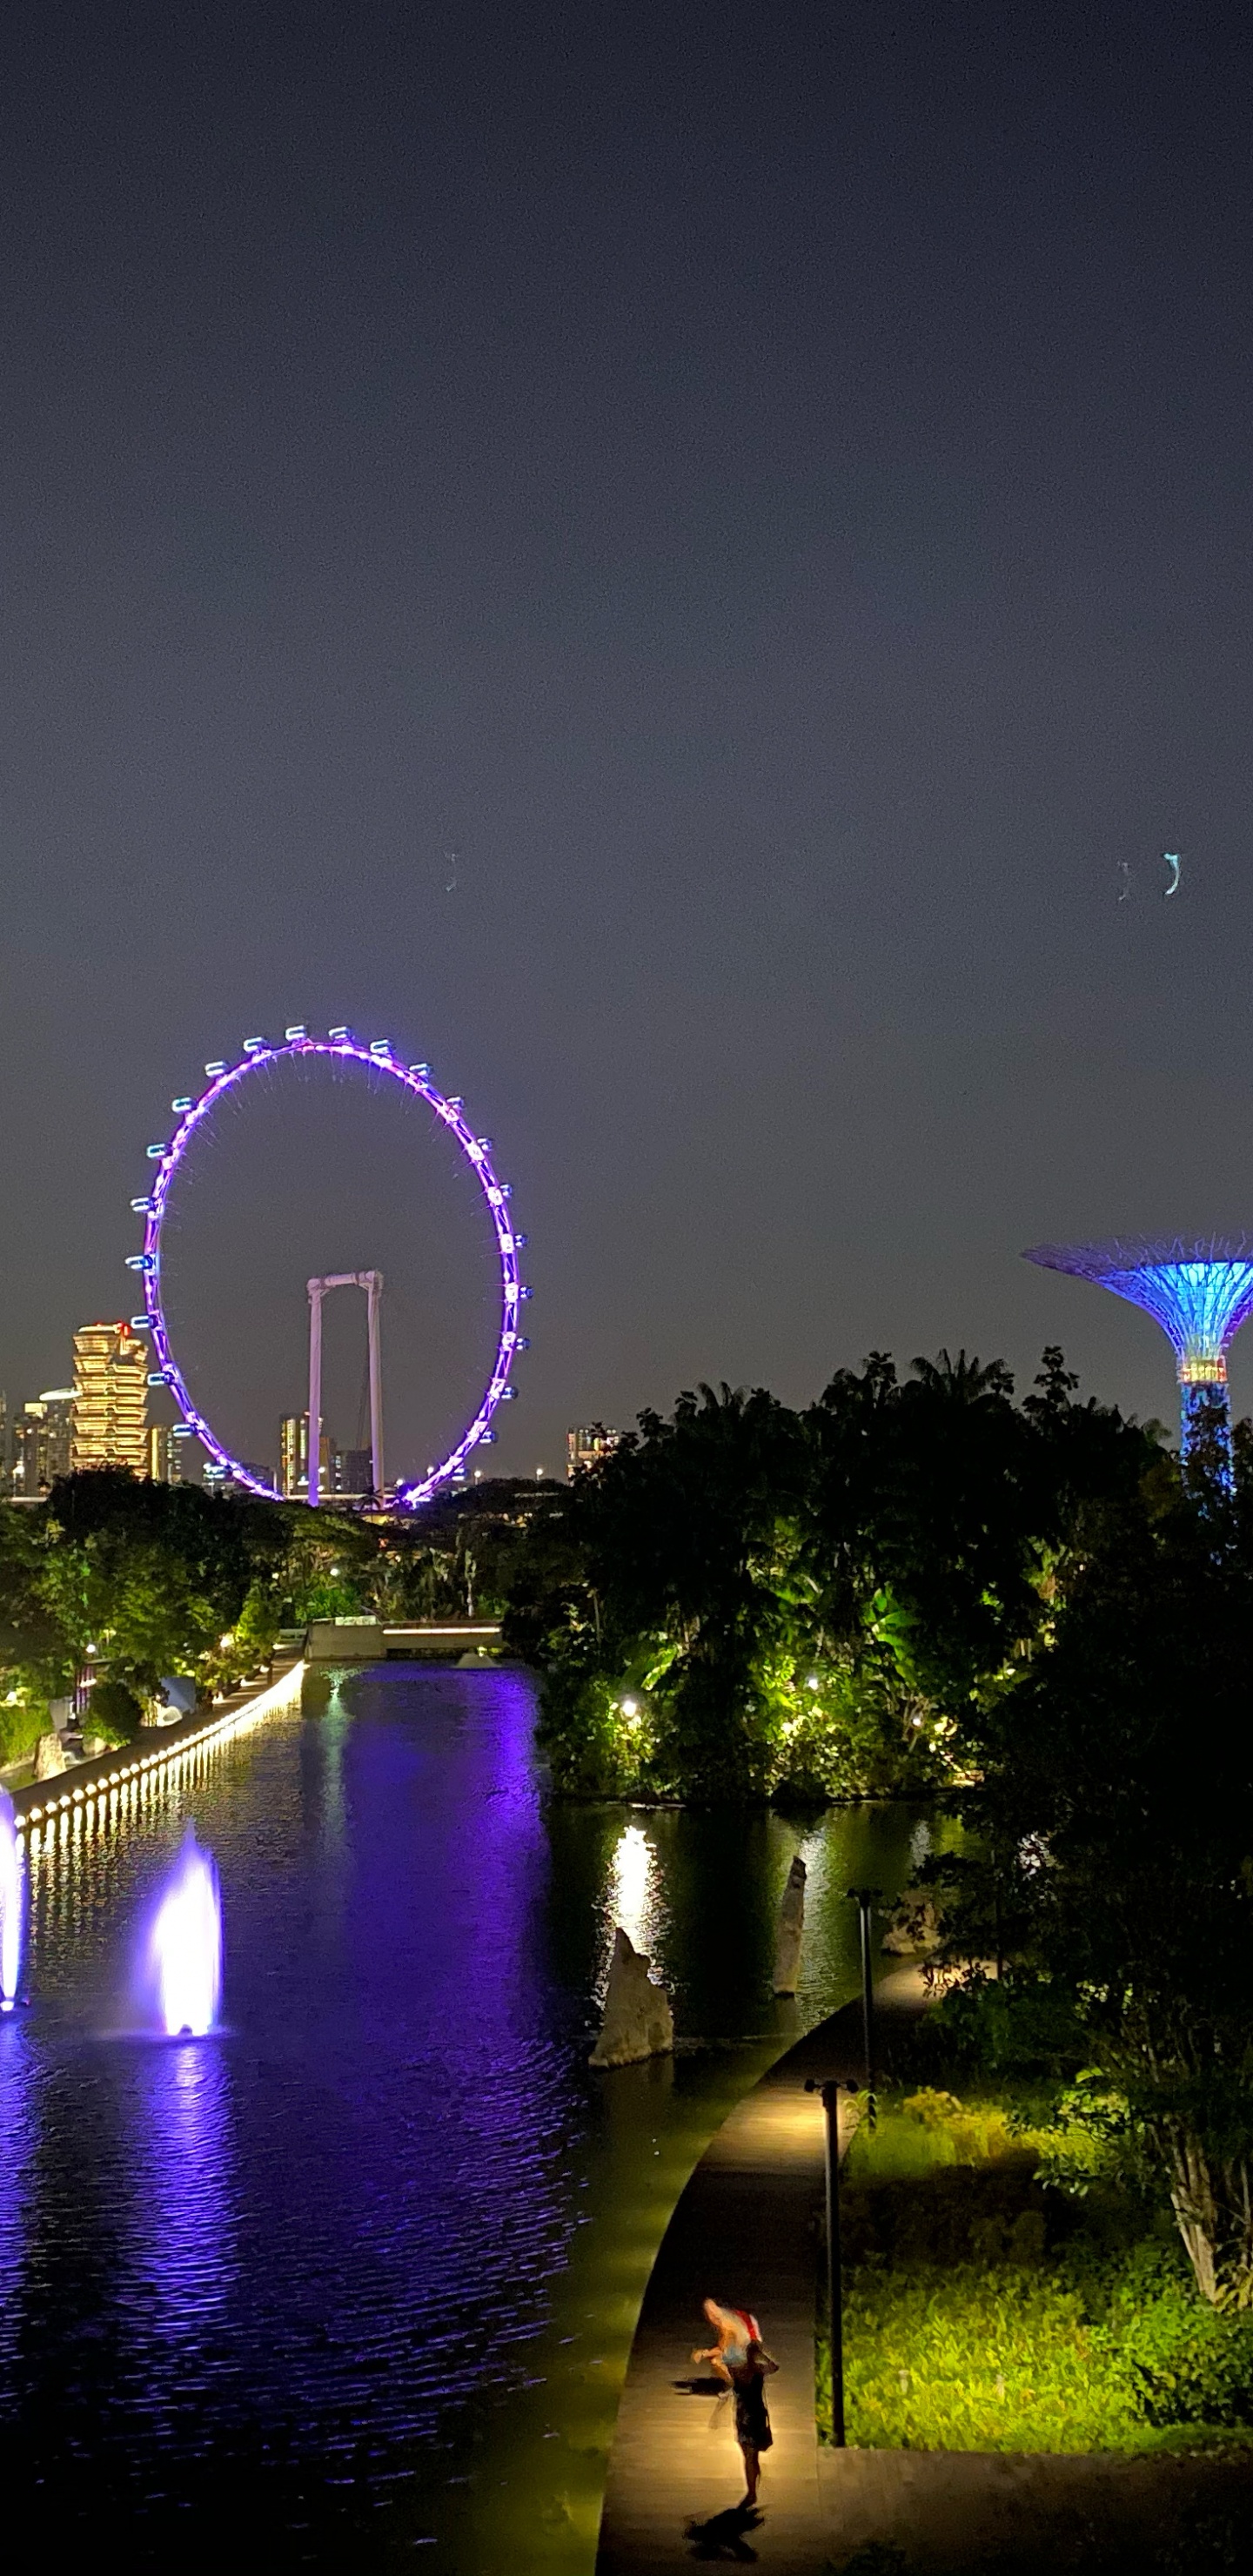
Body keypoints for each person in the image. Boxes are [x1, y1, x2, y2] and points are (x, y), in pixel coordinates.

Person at [691, 2300, 778, 2506]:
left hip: (749, 2409)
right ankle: (753, 2485)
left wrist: (755, 2369)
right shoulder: (745, 2356)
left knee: (748, 2451)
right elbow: (772, 2367)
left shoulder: (746, 2357)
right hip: (748, 2407)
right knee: (749, 2451)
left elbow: (767, 2366)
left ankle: (751, 2493)